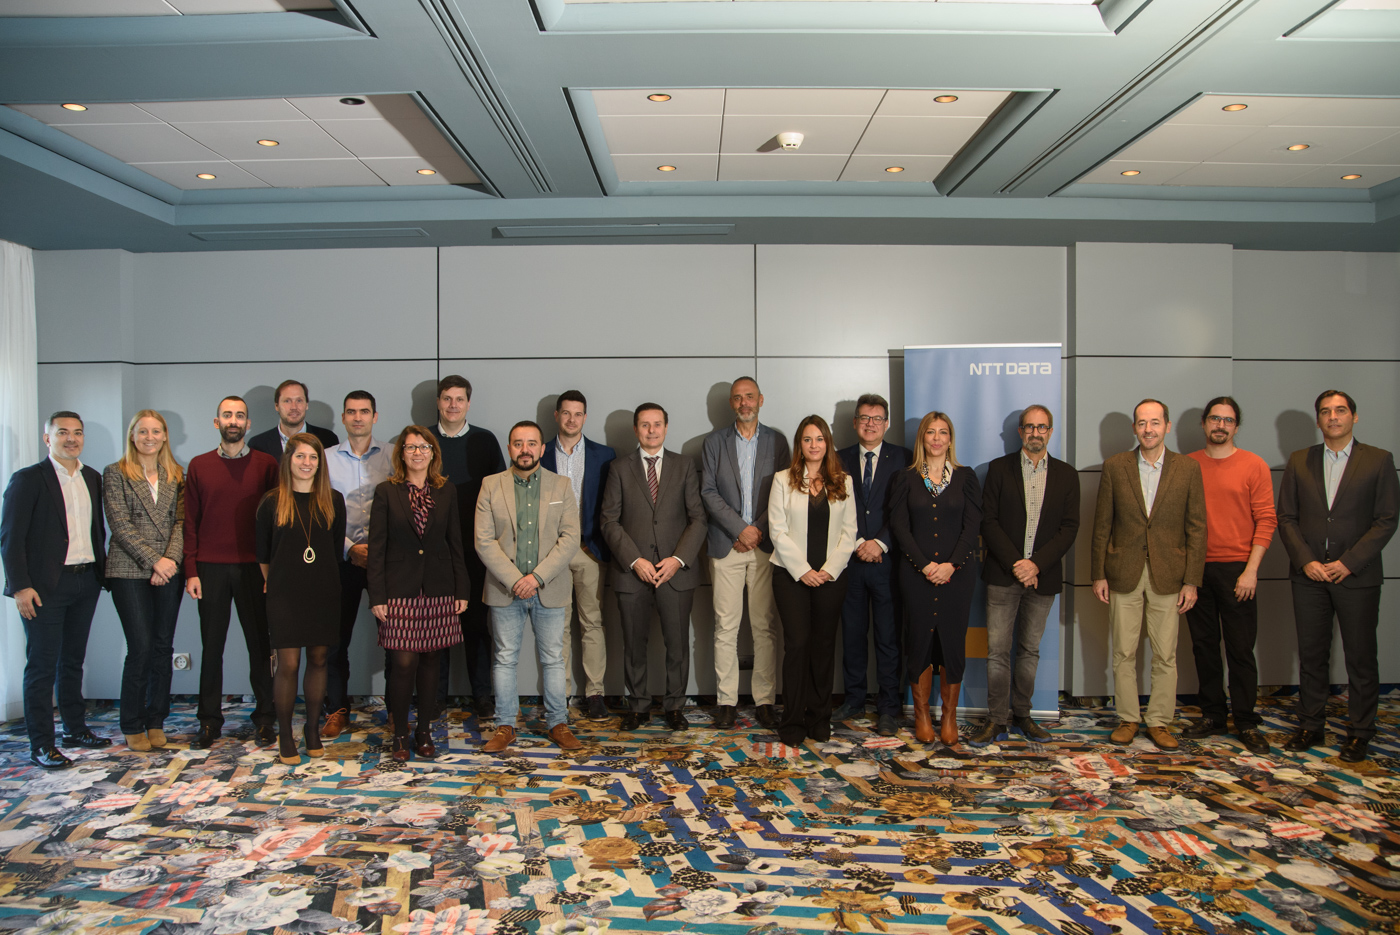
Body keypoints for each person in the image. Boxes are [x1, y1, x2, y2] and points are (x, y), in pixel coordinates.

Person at [1277, 390, 1398, 763]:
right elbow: (1287, 518)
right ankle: (1311, 725)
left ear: (1354, 417)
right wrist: (1306, 561)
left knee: (1361, 658)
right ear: (1318, 420)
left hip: (1355, 576)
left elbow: (1386, 520)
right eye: (1326, 412)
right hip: (1309, 575)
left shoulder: (1378, 461)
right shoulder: (1300, 461)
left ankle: (1360, 732)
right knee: (1312, 655)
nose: (1333, 417)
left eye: (1340, 411)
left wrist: (1348, 562)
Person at [1091, 399, 1206, 751]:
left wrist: (1192, 580)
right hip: (1123, 571)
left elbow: (1197, 528)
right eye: (1142, 423)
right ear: (1134, 428)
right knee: (1123, 652)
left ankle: (1159, 722)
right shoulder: (1116, 466)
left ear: (1167, 426)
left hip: (1169, 575)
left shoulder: (1187, 469)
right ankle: (1128, 718)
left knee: (1165, 654)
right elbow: (1102, 525)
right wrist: (1098, 573)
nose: (1148, 429)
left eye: (1155, 422)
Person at [1, 411, 109, 769]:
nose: (71, 439)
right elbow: (10, 539)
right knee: (42, 666)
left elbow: (96, 532)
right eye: (62, 433)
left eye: (77, 433)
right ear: (47, 438)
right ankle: (41, 745)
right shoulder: (28, 480)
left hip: (85, 580)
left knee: (73, 661)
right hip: (44, 586)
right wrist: (20, 587)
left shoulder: (92, 477)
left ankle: (75, 729)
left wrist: (99, 574)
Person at [970, 404, 1079, 746]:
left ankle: (1023, 715)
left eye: (1041, 427)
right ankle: (996, 719)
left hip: (1042, 579)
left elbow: (1069, 527)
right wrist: (1018, 563)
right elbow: (988, 521)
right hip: (1004, 575)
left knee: (1029, 651)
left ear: (1050, 431)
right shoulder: (998, 470)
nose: (1035, 433)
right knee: (998, 652)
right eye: (1029, 427)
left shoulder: (1066, 474)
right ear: (1020, 432)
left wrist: (1036, 565)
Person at [600, 403, 707, 732]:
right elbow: (609, 521)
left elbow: (698, 519)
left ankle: (675, 706)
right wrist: (635, 560)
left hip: (676, 572)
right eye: (644, 425)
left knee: (677, 644)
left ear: (666, 427)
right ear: (636, 429)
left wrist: (677, 559)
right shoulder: (619, 468)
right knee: (634, 644)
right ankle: (639, 706)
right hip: (632, 572)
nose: (651, 430)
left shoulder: (684, 465)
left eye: (657, 424)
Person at [476, 422, 582, 752]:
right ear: (510, 448)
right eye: (518, 443)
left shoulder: (561, 486)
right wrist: (515, 580)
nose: (525, 449)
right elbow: (483, 540)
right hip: (504, 588)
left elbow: (570, 539)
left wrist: (535, 578)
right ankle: (505, 725)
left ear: (541, 448)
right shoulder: (491, 485)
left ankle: (557, 723)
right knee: (504, 659)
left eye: (532, 443)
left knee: (553, 658)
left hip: (549, 587)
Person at [368, 428, 471, 761]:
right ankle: (400, 733)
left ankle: (424, 730)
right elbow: (377, 549)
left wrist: (461, 587)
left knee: (431, 662)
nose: (417, 452)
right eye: (410, 447)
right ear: (401, 454)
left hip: (439, 589)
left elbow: (455, 543)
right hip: (399, 589)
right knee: (402, 663)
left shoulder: (447, 491)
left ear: (432, 452)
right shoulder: (386, 492)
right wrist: (377, 595)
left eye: (423, 447)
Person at [1181, 397, 1277, 755]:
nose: (1220, 425)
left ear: (1236, 426)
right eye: (1214, 419)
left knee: (1239, 650)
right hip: (1196, 570)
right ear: (1204, 424)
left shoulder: (1254, 465)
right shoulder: (1187, 465)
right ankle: (1213, 716)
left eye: (1228, 420)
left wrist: (1251, 571)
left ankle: (1246, 721)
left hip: (1240, 570)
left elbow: (1267, 519)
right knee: (1204, 647)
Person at [184, 396, 280, 749]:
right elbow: (190, 522)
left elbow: (274, 520)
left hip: (255, 567)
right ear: (216, 422)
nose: (234, 420)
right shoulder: (199, 465)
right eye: (227, 415)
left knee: (260, 646)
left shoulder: (267, 464)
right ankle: (209, 722)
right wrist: (190, 570)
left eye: (240, 415)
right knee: (212, 647)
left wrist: (272, 569)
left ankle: (265, 719)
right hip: (209, 569)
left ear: (249, 423)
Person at [701, 376, 790, 730]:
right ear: (731, 404)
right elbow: (708, 491)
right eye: (737, 398)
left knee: (765, 627)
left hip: (766, 546)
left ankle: (765, 700)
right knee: (725, 627)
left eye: (749, 396)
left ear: (761, 400)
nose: (744, 403)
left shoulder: (778, 441)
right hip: (726, 545)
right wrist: (740, 529)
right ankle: (726, 701)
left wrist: (757, 530)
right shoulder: (713, 442)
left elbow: (786, 491)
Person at [889, 411, 982, 749]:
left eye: (944, 432)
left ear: (950, 439)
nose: (937, 438)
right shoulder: (906, 477)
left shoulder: (966, 477)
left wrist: (951, 565)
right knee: (919, 641)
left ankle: (950, 715)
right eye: (931, 432)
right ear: (922, 438)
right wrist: (926, 565)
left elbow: (973, 526)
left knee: (953, 643)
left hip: (958, 577)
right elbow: (900, 527)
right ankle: (923, 715)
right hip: (917, 575)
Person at [257, 434, 346, 765]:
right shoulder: (271, 502)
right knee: (289, 663)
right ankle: (284, 733)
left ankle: (311, 730)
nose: (307, 463)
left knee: (319, 659)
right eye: (300, 457)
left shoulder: (333, 500)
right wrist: (276, 583)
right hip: (284, 594)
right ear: (288, 460)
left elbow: (334, 551)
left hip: (323, 590)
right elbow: (264, 554)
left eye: (313, 457)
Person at [769, 415, 857, 747]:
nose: (814, 445)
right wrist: (803, 569)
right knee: (798, 646)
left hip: (831, 577)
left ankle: (819, 718)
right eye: (807, 439)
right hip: (791, 576)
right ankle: (791, 720)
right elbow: (777, 530)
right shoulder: (782, 480)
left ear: (828, 444)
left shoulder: (843, 481)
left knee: (823, 648)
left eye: (819, 439)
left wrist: (828, 569)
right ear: (799, 445)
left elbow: (849, 533)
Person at [103, 410, 186, 753]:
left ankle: (156, 719)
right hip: (128, 570)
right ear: (132, 436)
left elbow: (181, 522)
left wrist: (169, 561)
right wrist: (155, 561)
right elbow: (119, 525)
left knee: (163, 646)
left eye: (156, 431)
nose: (149, 437)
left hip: (169, 567)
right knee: (139, 647)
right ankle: (131, 722)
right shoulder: (116, 473)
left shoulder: (177, 474)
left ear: (165, 435)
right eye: (142, 431)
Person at [834, 394, 912, 736]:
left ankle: (889, 706)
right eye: (864, 418)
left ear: (887, 423)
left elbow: (907, 510)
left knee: (888, 637)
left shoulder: (905, 459)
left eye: (877, 418)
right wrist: (855, 544)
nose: (870, 424)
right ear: (854, 422)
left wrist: (879, 542)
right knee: (851, 635)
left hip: (888, 562)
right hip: (848, 562)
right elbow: (834, 510)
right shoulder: (837, 459)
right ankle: (853, 699)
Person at [429, 375, 505, 718]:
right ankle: (436, 697)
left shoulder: (485, 440)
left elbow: (502, 493)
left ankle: (483, 697)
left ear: (468, 403)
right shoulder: (424, 440)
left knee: (476, 625)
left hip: (477, 547)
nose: (453, 405)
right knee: (438, 625)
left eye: (459, 399)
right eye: (447, 399)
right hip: (434, 548)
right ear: (439, 402)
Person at [541, 390, 616, 722]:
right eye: (566, 413)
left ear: (585, 418)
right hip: (552, 552)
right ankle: (562, 694)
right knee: (557, 626)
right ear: (557, 415)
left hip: (590, 550)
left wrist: (598, 544)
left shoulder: (605, 455)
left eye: (578, 414)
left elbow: (612, 505)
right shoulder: (539, 453)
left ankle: (595, 693)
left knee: (592, 623)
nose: (572, 419)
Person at [323, 391, 392, 740]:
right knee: (335, 641)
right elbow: (320, 514)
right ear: (343, 417)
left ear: (375, 417)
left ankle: (395, 712)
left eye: (364, 411)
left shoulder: (395, 456)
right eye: (351, 411)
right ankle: (337, 710)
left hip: (386, 560)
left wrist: (377, 550)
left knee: (398, 638)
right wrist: (350, 548)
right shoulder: (325, 459)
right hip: (342, 559)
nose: (358, 417)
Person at [248, 379, 339, 459]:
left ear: (306, 405)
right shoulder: (258, 444)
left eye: (299, 401)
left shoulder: (327, 440)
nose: (294, 407)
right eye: (287, 401)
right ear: (277, 406)